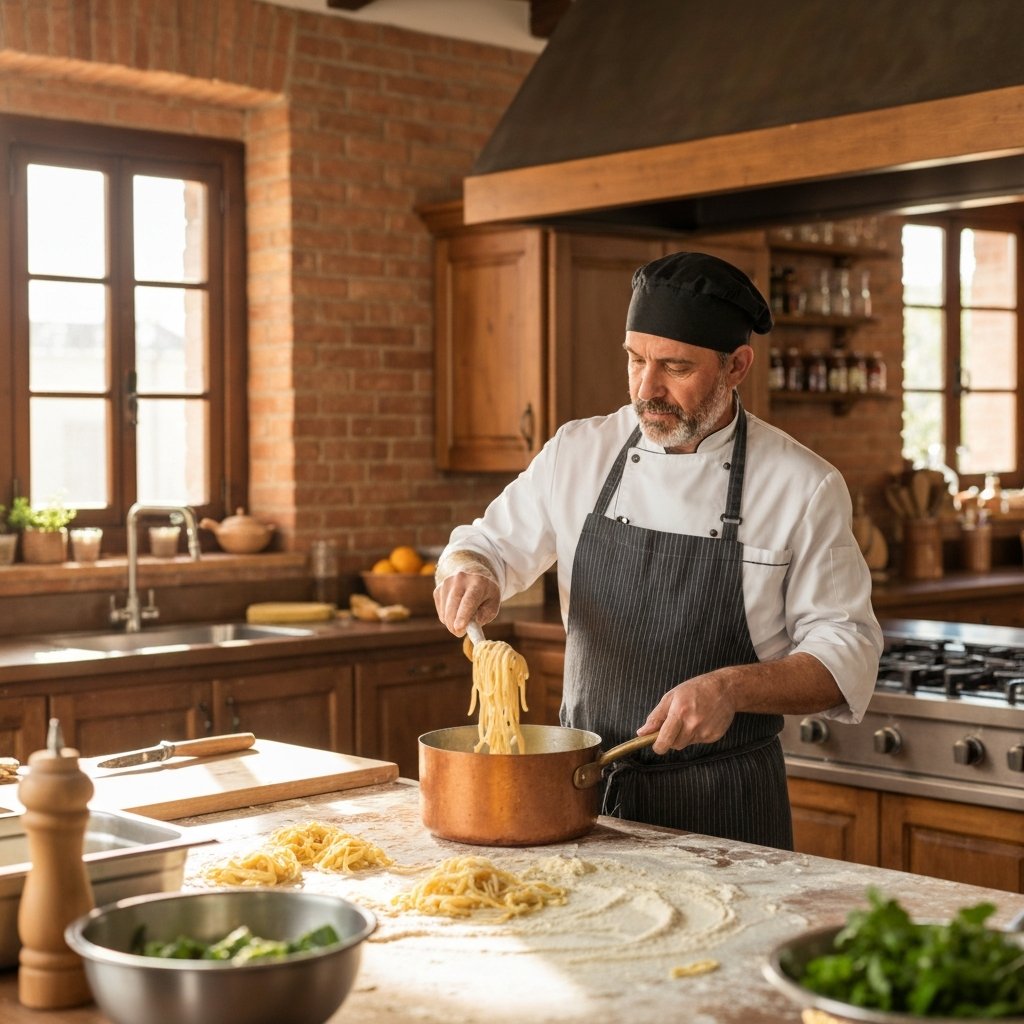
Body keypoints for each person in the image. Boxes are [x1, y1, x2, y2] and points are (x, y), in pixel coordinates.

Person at [433, 251, 882, 850]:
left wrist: (732, 688)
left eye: (674, 366)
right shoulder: (579, 452)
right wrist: (471, 571)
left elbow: (846, 651)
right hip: (583, 794)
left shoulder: (802, 485)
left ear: (737, 365)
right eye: (636, 360)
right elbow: (485, 544)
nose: (648, 389)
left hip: (725, 809)